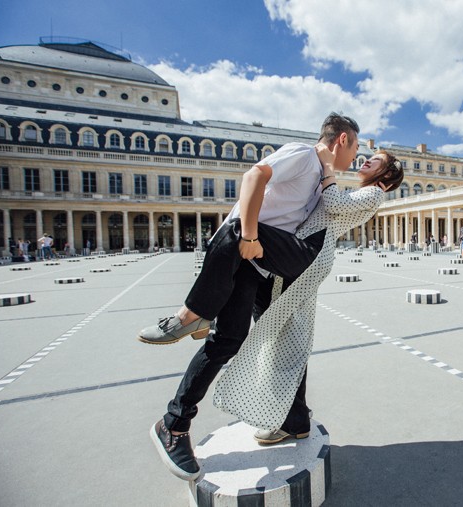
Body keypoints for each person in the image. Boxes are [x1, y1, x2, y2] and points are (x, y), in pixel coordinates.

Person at [138, 113, 361, 481]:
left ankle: (180, 423)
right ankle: (189, 324)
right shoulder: (303, 155)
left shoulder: (320, 176)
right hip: (241, 252)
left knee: (255, 342)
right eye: (355, 148)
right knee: (229, 339)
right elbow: (254, 176)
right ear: (342, 141)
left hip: (259, 269)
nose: (354, 158)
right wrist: (250, 237)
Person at [214, 148, 404, 447]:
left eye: (376, 160)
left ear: (388, 174)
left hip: (310, 257)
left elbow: (333, 202)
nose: (366, 160)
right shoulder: (364, 193)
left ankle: (291, 419)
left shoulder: (375, 194)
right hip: (303, 253)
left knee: (287, 336)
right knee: (288, 335)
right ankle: (294, 418)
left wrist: (328, 169)